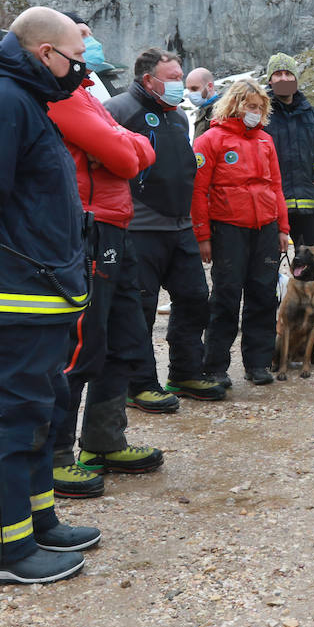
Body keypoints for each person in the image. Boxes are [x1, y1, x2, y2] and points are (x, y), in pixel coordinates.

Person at [0, 7, 98, 584]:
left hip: (40, 292)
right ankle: (0, 551)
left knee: (36, 413)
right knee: (6, 420)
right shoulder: (3, 101)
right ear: (44, 54)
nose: (80, 73)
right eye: (75, 61)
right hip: (12, 296)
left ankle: (34, 523)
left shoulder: (24, 101)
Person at [46, 15, 165, 499]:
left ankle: (104, 439)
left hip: (117, 224)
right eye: (84, 38)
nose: (91, 46)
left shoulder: (88, 94)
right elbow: (122, 155)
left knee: (124, 335)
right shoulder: (61, 96)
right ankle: (56, 455)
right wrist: (121, 147)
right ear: (54, 48)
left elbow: (133, 148)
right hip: (90, 227)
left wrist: (122, 146)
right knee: (82, 343)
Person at [104, 49, 224, 408]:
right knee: (139, 308)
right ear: (148, 80)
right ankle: (138, 384)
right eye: (172, 78)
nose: (178, 84)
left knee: (194, 299)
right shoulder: (118, 110)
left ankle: (185, 372)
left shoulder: (178, 117)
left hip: (179, 226)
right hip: (139, 227)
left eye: (180, 76)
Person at [191, 78, 289, 385]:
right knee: (226, 297)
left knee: (263, 295)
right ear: (235, 105)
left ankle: (257, 363)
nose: (255, 112)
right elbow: (197, 191)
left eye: (260, 107)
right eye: (250, 106)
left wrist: (282, 229)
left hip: (265, 229)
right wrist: (203, 236)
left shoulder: (265, 141)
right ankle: (215, 365)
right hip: (229, 230)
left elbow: (276, 187)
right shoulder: (211, 140)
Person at [265, 52, 314, 343]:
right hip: (272, 206)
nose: (283, 79)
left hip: (308, 207)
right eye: (277, 74)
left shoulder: (310, 113)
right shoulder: (262, 111)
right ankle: (271, 325)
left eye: (288, 74)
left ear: (296, 78)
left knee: (313, 268)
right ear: (269, 79)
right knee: (267, 267)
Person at [185, 67, 219, 135]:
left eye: (194, 89)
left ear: (209, 86)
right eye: (189, 90)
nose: (191, 94)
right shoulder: (203, 110)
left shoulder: (221, 113)